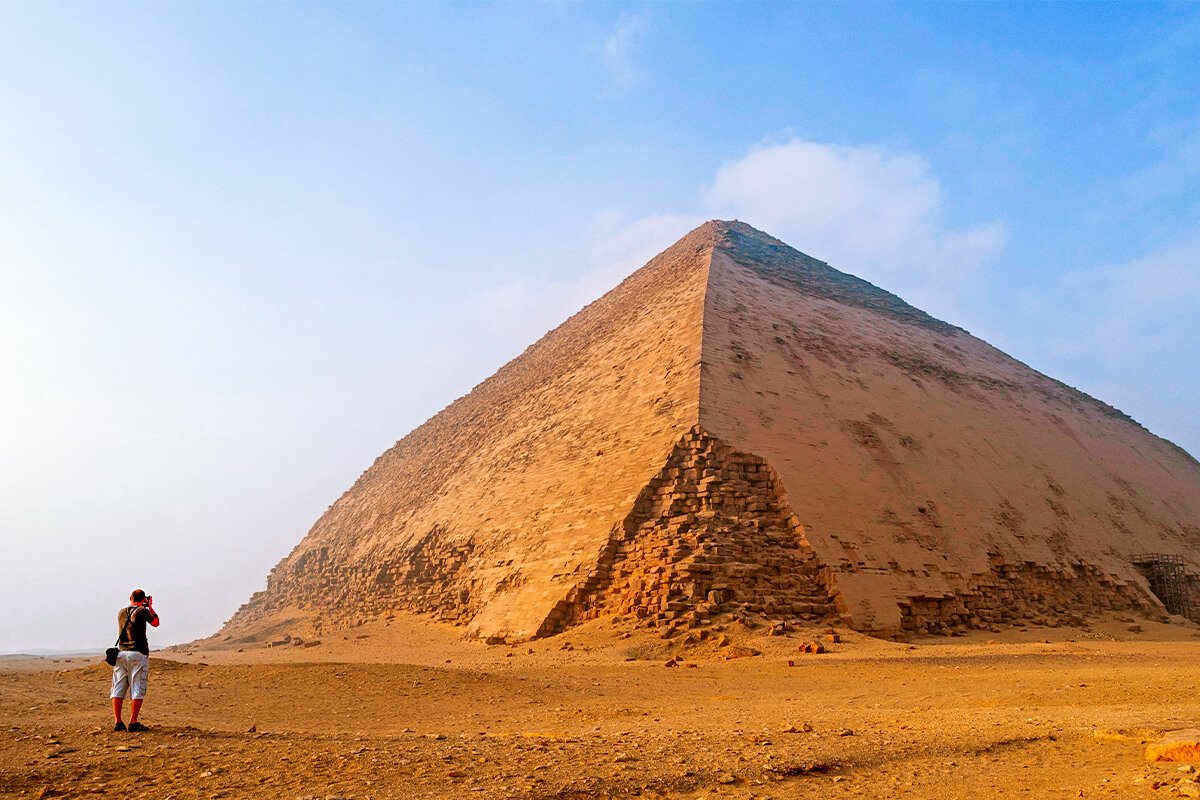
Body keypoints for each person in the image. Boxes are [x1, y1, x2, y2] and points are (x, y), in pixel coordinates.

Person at [110, 589, 160, 732]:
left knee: (118, 687)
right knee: (137, 687)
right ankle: (133, 722)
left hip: (121, 653)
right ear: (143, 599)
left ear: (130, 598)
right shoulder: (142, 611)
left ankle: (118, 721)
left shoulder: (121, 612)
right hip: (137, 653)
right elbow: (156, 622)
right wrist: (149, 607)